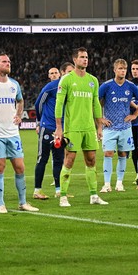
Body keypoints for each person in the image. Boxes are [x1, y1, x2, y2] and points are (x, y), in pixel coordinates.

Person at [0, 53, 39, 214]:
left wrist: (19, 114)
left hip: (13, 132)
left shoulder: (14, 84)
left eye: (9, 61)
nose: (8, 63)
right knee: (0, 167)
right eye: (4, 61)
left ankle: (22, 202)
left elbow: (20, 101)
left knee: (20, 167)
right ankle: (1, 204)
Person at [54, 47, 108, 207]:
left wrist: (99, 127)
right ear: (75, 60)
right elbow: (59, 104)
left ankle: (93, 195)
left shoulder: (93, 80)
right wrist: (59, 127)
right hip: (73, 128)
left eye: (87, 57)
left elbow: (96, 105)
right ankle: (63, 196)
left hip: (89, 128)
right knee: (69, 160)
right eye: (82, 57)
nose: (85, 59)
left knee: (91, 160)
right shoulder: (66, 80)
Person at [99, 59, 138, 193]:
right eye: (120, 68)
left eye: (124, 69)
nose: (122, 71)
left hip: (125, 127)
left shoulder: (130, 86)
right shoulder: (106, 86)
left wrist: (135, 115)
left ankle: (119, 183)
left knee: (122, 154)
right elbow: (95, 101)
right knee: (108, 154)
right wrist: (100, 118)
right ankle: (107, 184)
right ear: (114, 70)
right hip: (110, 127)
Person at [33, 62, 75, 199]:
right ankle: (37, 190)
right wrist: (39, 122)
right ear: (62, 73)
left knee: (58, 160)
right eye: (69, 72)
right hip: (48, 127)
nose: (71, 74)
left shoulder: (71, 88)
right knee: (42, 159)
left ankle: (59, 190)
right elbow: (38, 103)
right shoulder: (51, 87)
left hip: (61, 130)